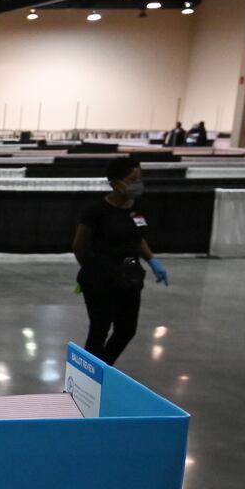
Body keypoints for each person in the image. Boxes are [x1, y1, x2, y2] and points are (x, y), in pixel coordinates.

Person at [71, 156, 169, 366]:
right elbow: (79, 245)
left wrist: (152, 261)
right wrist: (91, 268)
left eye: (140, 179)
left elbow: (137, 238)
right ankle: (89, 376)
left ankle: (103, 368)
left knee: (127, 329)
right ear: (116, 183)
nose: (138, 184)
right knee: (100, 328)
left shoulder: (139, 206)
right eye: (133, 180)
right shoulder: (96, 211)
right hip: (100, 277)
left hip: (129, 272)